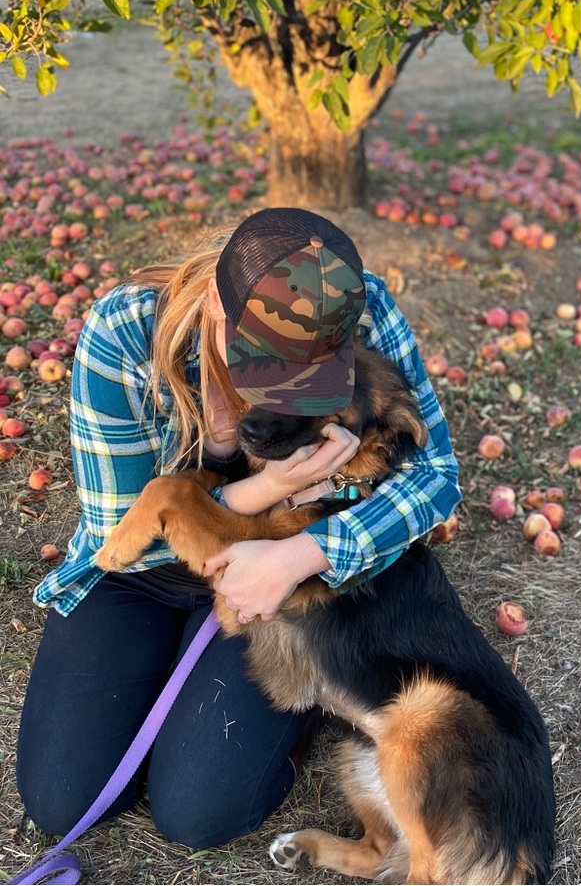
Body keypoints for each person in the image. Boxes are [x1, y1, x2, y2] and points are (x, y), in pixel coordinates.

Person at [16, 207, 461, 849]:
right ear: (214, 308)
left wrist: (303, 554)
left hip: (278, 573)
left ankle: (288, 707)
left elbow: (436, 473)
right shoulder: (124, 331)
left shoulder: (352, 303)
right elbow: (122, 537)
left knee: (196, 813)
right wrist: (271, 487)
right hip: (145, 574)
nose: (279, 399)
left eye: (305, 378)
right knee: (63, 798)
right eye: (266, 370)